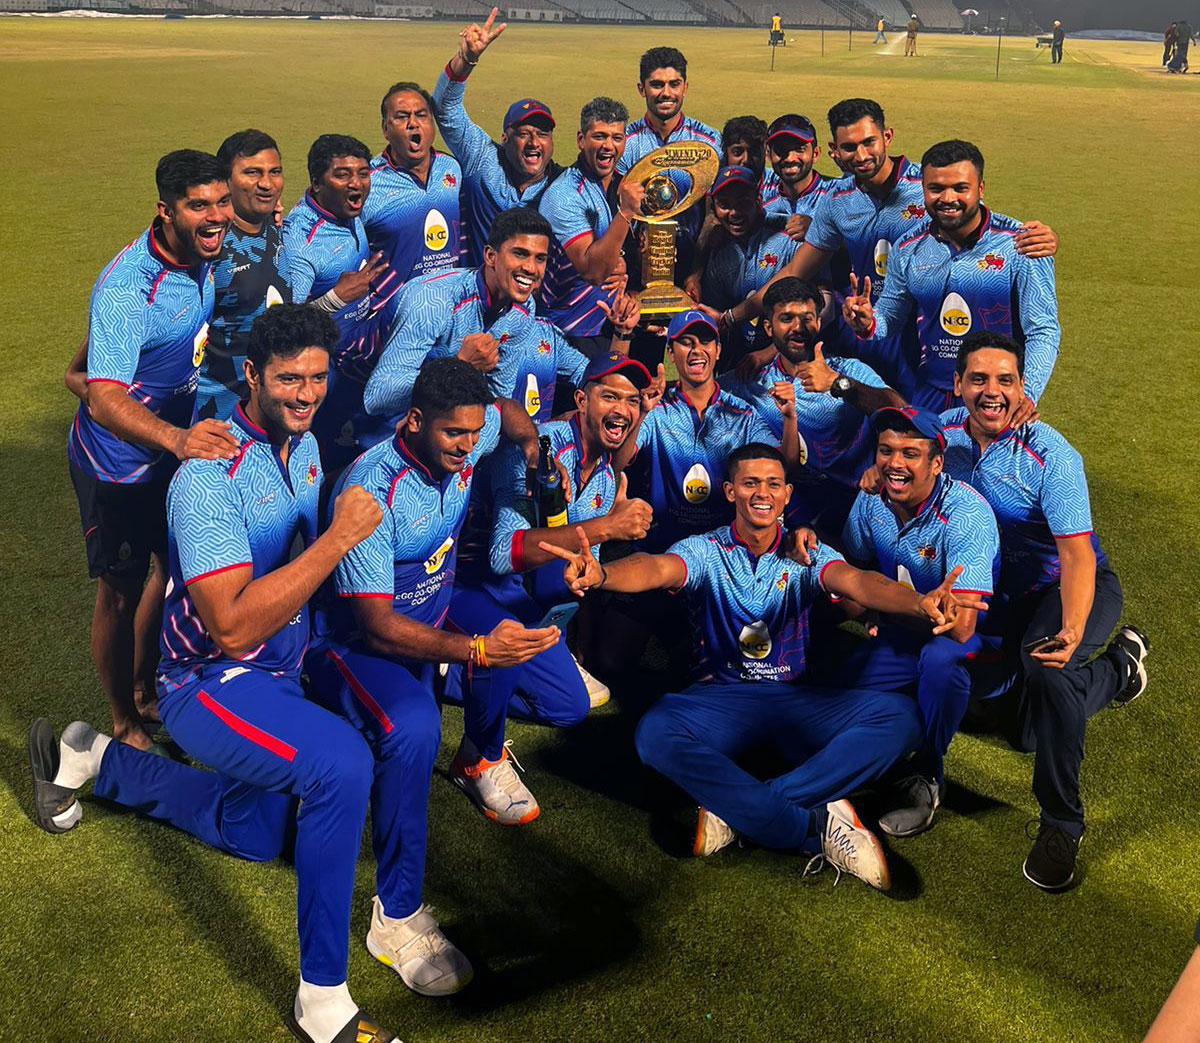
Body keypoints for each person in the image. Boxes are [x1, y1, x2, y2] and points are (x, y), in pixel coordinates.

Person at [33, 303, 417, 1043]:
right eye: (287, 380)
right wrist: (339, 538)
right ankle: (323, 1001)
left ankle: (90, 756)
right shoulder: (208, 477)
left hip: (279, 670)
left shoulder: (301, 444)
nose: (306, 394)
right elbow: (232, 624)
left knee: (257, 828)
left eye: (315, 377)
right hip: (209, 680)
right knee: (340, 766)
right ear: (251, 376)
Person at [544, 443, 987, 890]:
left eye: (773, 484)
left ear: (787, 494)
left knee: (901, 718)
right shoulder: (704, 550)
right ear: (730, 491)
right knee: (654, 733)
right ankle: (814, 826)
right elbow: (656, 568)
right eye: (751, 483)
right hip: (718, 703)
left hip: (793, 703)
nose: (763, 493)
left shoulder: (807, 553)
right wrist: (603, 575)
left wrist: (917, 602)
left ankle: (743, 810)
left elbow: (859, 581)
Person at [306, 356, 558, 995]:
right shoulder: (371, 489)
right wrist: (470, 650)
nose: (467, 447)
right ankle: (394, 917)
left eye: (474, 435)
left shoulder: (472, 437)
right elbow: (376, 628)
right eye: (454, 435)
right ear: (415, 422)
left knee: (513, 631)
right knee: (415, 726)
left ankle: (478, 760)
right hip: (355, 643)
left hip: (433, 609)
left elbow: (502, 417)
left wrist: (526, 437)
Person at [941, 332, 1149, 891]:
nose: (992, 391)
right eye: (979, 378)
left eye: (1005, 380)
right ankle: (1120, 671)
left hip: (1070, 589)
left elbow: (1077, 556)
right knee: (1025, 731)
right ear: (957, 384)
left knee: (1047, 670)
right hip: (1001, 599)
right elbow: (887, 408)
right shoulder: (937, 437)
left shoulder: (1051, 454)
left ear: (1022, 387)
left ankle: (1061, 823)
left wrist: (1074, 628)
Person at [67, 149, 238, 752]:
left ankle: (147, 688)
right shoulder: (126, 287)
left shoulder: (203, 255)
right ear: (164, 212)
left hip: (169, 455)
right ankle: (123, 719)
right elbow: (101, 396)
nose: (217, 215)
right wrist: (175, 437)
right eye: (200, 206)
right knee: (119, 588)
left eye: (221, 200)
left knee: (168, 569)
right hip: (116, 469)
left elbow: (82, 371)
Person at [444, 354, 657, 823]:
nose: (621, 408)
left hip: (524, 601)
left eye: (632, 400)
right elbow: (504, 553)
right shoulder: (538, 449)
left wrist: (586, 570)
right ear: (581, 401)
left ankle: (448, 671)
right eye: (609, 396)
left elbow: (581, 562)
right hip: (467, 587)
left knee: (570, 707)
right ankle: (477, 757)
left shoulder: (603, 474)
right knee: (509, 638)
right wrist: (607, 527)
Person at [725, 99, 1058, 396]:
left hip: (923, 337)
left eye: (869, 142)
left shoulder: (926, 186)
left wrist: (1041, 236)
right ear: (834, 151)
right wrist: (733, 316)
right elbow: (797, 271)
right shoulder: (837, 201)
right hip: (866, 327)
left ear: (887, 137)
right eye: (849, 147)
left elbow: (975, 216)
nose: (861, 155)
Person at [833, 406, 999, 836]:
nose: (895, 463)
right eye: (886, 451)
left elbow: (961, 626)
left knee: (942, 663)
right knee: (835, 690)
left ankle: (927, 774)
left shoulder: (966, 514)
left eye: (911, 453)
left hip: (972, 644)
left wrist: (888, 603)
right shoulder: (872, 500)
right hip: (901, 634)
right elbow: (853, 565)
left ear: (937, 463)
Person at [841, 139, 1059, 412]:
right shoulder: (908, 249)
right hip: (931, 394)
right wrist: (867, 321)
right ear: (923, 189)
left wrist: (1027, 393)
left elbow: (1043, 330)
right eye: (936, 188)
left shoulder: (1021, 245)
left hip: (996, 396)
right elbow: (890, 317)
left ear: (980, 188)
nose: (947, 199)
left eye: (960, 188)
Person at [366, 207, 635, 422]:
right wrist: (460, 366)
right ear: (490, 256)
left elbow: (497, 396)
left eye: (540, 258)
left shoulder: (523, 309)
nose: (531, 268)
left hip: (450, 427)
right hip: (382, 431)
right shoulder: (431, 300)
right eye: (520, 254)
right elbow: (378, 398)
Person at [729, 278, 904, 538]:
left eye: (807, 318)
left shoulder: (846, 370)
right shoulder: (751, 381)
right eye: (786, 318)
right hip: (793, 509)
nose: (798, 328)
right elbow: (700, 390)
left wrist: (837, 383)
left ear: (819, 323)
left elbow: (901, 410)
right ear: (768, 327)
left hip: (857, 502)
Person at [622, 309, 799, 552]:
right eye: (686, 342)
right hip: (662, 546)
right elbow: (619, 460)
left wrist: (790, 418)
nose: (696, 350)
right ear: (671, 354)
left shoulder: (743, 414)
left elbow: (786, 464)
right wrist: (640, 413)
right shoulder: (655, 411)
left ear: (718, 350)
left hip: (724, 549)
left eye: (705, 342)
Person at [281, 134, 393, 471]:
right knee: (321, 465)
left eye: (362, 173)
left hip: (356, 363)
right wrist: (335, 298)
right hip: (321, 377)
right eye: (342, 175)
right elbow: (282, 325)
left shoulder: (348, 210)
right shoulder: (302, 243)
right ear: (316, 183)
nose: (355, 183)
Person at [433, 9, 562, 265]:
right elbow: (446, 110)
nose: (534, 142)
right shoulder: (482, 160)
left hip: (532, 300)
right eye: (523, 134)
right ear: (505, 138)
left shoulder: (562, 186)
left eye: (542, 134)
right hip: (477, 293)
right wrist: (466, 60)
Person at [197, 129, 291, 422]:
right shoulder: (209, 249)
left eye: (274, 172)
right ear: (226, 181)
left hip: (264, 407)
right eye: (252, 172)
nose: (267, 183)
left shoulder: (273, 227)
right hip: (214, 413)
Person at [538, 96, 642, 352]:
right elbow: (593, 271)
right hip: (571, 330)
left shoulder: (624, 184)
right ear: (581, 140)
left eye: (616, 138)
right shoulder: (564, 195)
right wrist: (626, 213)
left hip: (615, 321)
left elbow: (626, 251)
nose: (608, 145)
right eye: (599, 136)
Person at [364, 81, 462, 328]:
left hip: (449, 311)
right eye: (401, 117)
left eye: (421, 115)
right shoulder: (368, 183)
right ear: (385, 128)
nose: (413, 124)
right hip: (393, 316)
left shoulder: (451, 169)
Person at [698, 164, 798, 364]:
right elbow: (715, 316)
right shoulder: (717, 252)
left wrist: (770, 353)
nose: (734, 212)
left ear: (758, 201)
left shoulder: (788, 235)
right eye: (724, 204)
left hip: (789, 358)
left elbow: (813, 310)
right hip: (739, 360)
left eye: (743, 203)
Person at [616, 47, 721, 177]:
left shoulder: (710, 141)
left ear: (685, 88)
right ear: (642, 89)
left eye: (674, 84)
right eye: (657, 85)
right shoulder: (624, 144)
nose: (666, 93)